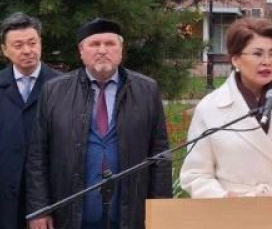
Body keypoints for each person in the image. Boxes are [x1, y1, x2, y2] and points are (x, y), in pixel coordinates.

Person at [25, 18, 171, 229]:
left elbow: (160, 155)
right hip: (73, 211)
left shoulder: (146, 90)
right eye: (95, 44)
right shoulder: (54, 91)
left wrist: (161, 210)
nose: (102, 50)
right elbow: (38, 155)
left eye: (110, 44)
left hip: (129, 211)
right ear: (81, 51)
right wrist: (40, 209)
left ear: (120, 50)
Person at [179, 17, 272, 197]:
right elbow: (195, 173)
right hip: (233, 209)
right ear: (236, 59)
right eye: (258, 54)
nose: (267, 62)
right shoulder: (210, 108)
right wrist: (221, 197)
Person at [0, 13, 60, 229]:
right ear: (4, 50)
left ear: (40, 43)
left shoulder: (61, 85)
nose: (27, 50)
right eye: (18, 45)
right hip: (3, 190)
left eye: (32, 43)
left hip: (51, 189)